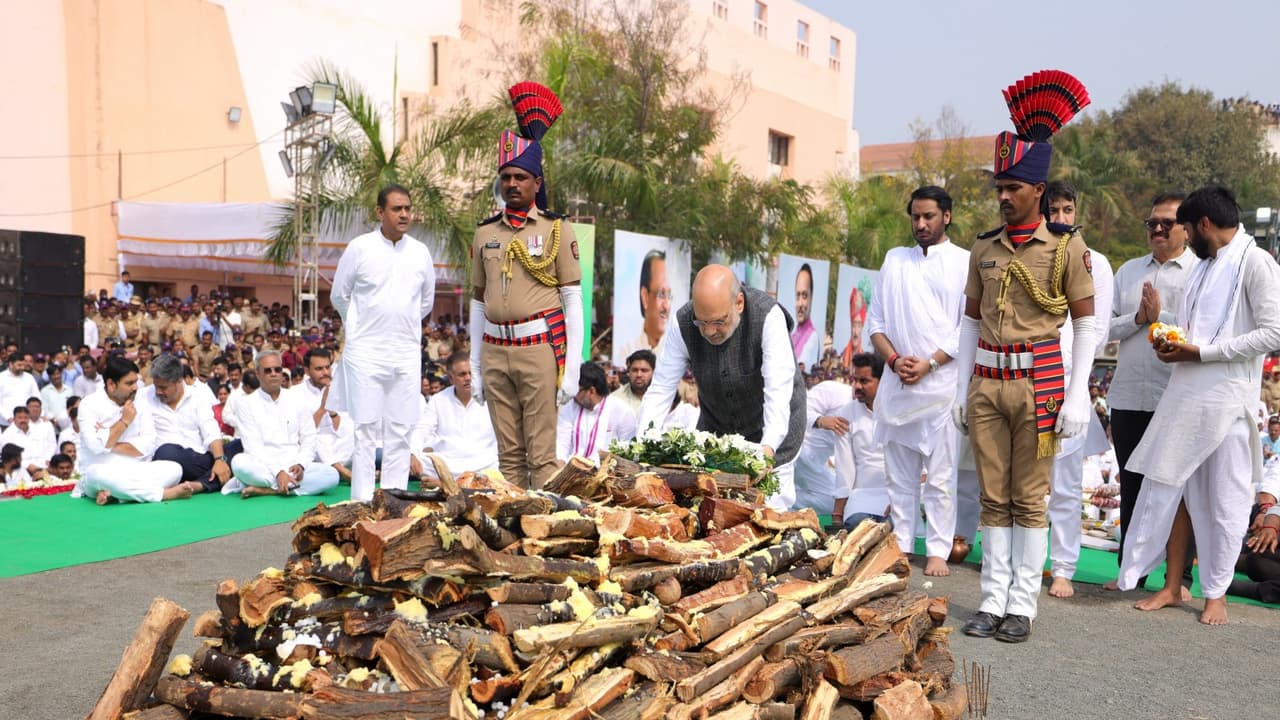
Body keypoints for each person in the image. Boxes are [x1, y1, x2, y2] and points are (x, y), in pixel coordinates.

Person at [954, 70, 1094, 643]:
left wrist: (1080, 391)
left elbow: (1084, 323)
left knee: (1029, 499)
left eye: (1013, 187)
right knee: (992, 495)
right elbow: (967, 323)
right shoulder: (983, 247)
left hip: (1040, 386)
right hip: (988, 383)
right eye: (999, 188)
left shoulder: (1067, 247)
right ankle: (990, 601)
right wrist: (964, 387)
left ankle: (1022, 606)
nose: (1004, 196)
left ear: (1038, 190)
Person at [1117, 185, 1280, 626]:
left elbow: (1274, 333)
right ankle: (1171, 586)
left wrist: (1201, 353)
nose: (1185, 237)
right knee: (1174, 490)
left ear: (1204, 224)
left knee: (1223, 502)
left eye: (1187, 228)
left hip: (1228, 404)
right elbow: (1195, 329)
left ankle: (1215, 594)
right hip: (1186, 396)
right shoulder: (1205, 267)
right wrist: (1167, 337)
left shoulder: (1257, 262)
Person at [471, 81, 582, 489]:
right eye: (505, 177)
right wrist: (475, 363)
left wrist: (572, 369)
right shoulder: (485, 233)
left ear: (536, 182)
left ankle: (547, 538)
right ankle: (515, 539)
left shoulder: (557, 228)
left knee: (543, 458)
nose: (512, 184)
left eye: (520, 176)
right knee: (509, 459)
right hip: (495, 350)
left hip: (538, 348)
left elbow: (572, 299)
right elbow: (477, 304)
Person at [639, 265, 807, 510]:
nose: (709, 331)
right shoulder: (683, 322)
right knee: (709, 514)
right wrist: (644, 444)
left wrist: (768, 449)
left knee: (767, 513)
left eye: (718, 321)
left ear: (738, 303)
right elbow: (661, 388)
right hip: (717, 433)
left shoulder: (768, 317)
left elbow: (778, 392)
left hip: (774, 435)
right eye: (702, 322)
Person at [869, 185, 970, 576]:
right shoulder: (895, 260)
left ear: (946, 216)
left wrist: (929, 363)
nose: (921, 223)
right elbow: (876, 323)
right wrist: (894, 361)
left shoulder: (964, 261)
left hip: (942, 386)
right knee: (900, 476)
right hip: (898, 384)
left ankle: (939, 550)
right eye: (915, 217)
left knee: (941, 478)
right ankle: (903, 544)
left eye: (929, 216)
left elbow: (968, 326)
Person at [1104, 192, 1199, 589]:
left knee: (1179, 488)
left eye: (1167, 223)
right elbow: (1104, 328)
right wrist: (1138, 318)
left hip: (1175, 396)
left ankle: (1179, 577)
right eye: (1152, 223)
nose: (1158, 229)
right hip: (1129, 394)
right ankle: (1131, 572)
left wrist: (1163, 318)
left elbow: (1205, 332)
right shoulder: (1127, 271)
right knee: (1132, 483)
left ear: (1186, 228)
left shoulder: (1200, 271)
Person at [330, 184, 436, 502]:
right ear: (380, 212)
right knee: (364, 429)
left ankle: (393, 501)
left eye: (407, 208)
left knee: (401, 429)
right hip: (366, 353)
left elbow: (426, 302)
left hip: (405, 352)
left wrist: (398, 326)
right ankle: (362, 501)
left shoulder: (420, 252)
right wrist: (361, 327)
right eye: (396, 209)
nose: (404, 214)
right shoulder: (359, 248)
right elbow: (339, 295)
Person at [1042, 181, 1115, 599]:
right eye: (1054, 209)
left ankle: (1064, 567)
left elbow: (1097, 330)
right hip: (1027, 378)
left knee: (1066, 488)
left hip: (1068, 381)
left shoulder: (1096, 263)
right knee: (1025, 487)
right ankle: (1025, 562)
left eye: (1068, 209)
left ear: (1077, 211)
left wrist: (1073, 386)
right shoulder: (1028, 255)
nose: (1061, 218)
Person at [221, 351, 339, 498]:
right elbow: (254, 447)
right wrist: (278, 472)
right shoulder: (245, 404)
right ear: (258, 373)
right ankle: (285, 486)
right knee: (239, 462)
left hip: (293, 466)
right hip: (263, 465)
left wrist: (301, 464)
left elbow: (309, 438)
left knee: (332, 475)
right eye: (268, 370)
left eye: (277, 369)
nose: (274, 374)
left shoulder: (297, 399)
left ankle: (268, 490)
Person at [72, 356, 186, 504]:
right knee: (96, 474)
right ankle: (160, 494)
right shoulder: (89, 405)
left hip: (135, 470)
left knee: (175, 469)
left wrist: (107, 440)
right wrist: (124, 421)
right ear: (111, 384)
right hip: (102, 471)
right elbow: (94, 447)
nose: (135, 387)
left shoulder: (141, 403)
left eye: (136, 381)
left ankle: (118, 495)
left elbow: (148, 447)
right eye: (129, 383)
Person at [144, 354, 242, 494]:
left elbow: (210, 429)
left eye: (163, 387)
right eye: (156, 386)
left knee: (240, 445)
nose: (158, 391)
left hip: (200, 459)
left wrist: (220, 459)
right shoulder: (144, 397)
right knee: (166, 452)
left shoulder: (197, 396)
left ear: (178, 381)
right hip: (169, 463)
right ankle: (212, 480)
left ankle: (200, 484)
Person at [411, 351, 498, 480]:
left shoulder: (491, 397)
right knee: (409, 460)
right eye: (462, 374)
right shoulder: (438, 400)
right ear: (451, 378)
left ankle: (444, 483)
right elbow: (422, 429)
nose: (468, 378)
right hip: (448, 462)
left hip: (484, 462)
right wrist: (412, 454)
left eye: (471, 373)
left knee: (504, 465)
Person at [835, 353, 889, 526]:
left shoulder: (898, 411)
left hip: (896, 498)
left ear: (883, 382)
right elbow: (844, 467)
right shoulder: (846, 414)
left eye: (864, 381)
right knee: (857, 526)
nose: (856, 386)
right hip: (861, 498)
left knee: (899, 532)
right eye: (854, 380)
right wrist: (838, 512)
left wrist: (903, 501)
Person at [289, 347, 354, 484]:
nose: (325, 373)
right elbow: (302, 432)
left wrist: (332, 412)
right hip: (313, 448)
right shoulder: (295, 394)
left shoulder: (338, 390)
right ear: (307, 371)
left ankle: (338, 468)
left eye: (327, 368)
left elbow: (341, 428)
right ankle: (343, 472)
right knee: (316, 439)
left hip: (337, 446)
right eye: (319, 369)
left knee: (355, 431)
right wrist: (323, 407)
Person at [794, 377, 856, 520]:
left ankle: (788, 501)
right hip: (797, 449)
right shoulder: (833, 389)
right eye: (858, 380)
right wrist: (820, 420)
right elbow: (799, 409)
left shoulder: (870, 414)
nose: (859, 387)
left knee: (833, 501)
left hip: (815, 464)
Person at [557, 363, 635, 464]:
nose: (573, 395)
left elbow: (628, 451)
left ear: (591, 391)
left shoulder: (622, 411)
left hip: (606, 472)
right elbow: (561, 444)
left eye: (576, 391)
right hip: (572, 469)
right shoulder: (570, 406)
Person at [617, 250, 672, 361]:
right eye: (661, 294)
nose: (666, 307)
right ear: (645, 297)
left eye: (669, 296)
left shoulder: (675, 353)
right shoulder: (627, 351)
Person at [1, 406, 51, 483]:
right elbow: (8, 458)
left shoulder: (38, 431)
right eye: (20, 418)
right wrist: (27, 466)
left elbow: (47, 448)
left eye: (26, 417)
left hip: (42, 467)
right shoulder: (7, 435)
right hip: (20, 470)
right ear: (14, 419)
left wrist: (46, 462)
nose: (23, 420)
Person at [611, 349, 655, 437]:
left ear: (653, 372)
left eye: (644, 370)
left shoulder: (662, 397)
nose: (639, 374)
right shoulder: (615, 399)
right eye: (634, 370)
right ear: (628, 372)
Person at [790, 263, 821, 369]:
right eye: (797, 296)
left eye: (804, 296)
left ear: (811, 298)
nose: (800, 304)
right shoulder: (793, 335)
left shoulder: (812, 337)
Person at [0, 351, 39, 429]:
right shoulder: (1, 378)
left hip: (27, 422)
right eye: (19, 365)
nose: (22, 368)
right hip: (6, 423)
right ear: (10, 364)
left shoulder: (29, 378)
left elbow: (36, 398)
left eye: (23, 365)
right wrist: (9, 418)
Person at [840, 287, 869, 371]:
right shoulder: (841, 358)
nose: (856, 332)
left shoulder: (865, 360)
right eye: (854, 325)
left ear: (862, 327)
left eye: (859, 325)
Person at [41, 363, 74, 431]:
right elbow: (44, 409)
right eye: (53, 374)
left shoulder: (70, 390)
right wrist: (55, 421)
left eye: (58, 373)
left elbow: (72, 408)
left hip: (68, 427)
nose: (56, 376)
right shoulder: (44, 391)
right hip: (51, 427)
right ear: (49, 377)